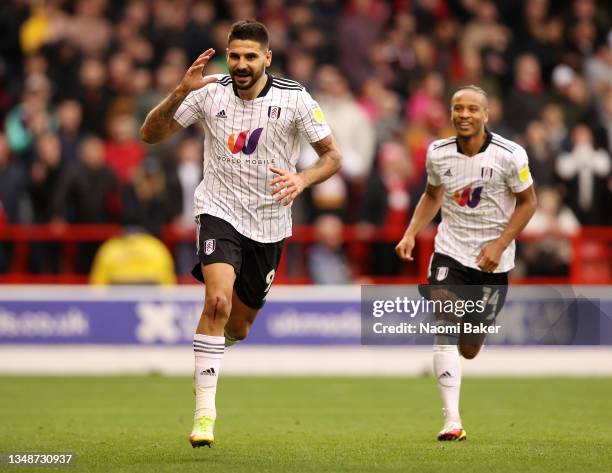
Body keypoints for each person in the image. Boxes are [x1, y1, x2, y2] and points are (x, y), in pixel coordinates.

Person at [140, 20, 341, 448]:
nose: (241, 64)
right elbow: (149, 134)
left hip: (270, 223)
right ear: (226, 56)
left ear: (267, 58)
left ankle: (209, 357)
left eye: (251, 56)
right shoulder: (208, 92)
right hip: (219, 210)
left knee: (240, 325)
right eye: (235, 56)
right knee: (216, 300)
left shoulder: (295, 98)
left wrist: (303, 181)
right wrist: (180, 91)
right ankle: (204, 416)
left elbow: (332, 157)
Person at [395, 85, 536, 441]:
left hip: (493, 260)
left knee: (470, 348)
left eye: (473, 109)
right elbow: (431, 195)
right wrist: (411, 232)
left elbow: (528, 203)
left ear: (486, 115)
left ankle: (470, 341)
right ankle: (452, 421)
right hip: (451, 251)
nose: (464, 115)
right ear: (451, 112)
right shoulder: (437, 153)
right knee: (445, 316)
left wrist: (501, 243)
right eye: (458, 108)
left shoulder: (510, 155)